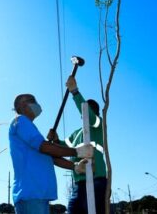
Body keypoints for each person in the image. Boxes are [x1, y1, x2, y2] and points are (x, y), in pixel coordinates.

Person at [9, 94, 94, 214]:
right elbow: (45, 147)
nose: (36, 104)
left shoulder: (28, 128)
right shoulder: (20, 121)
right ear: (22, 105)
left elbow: (51, 157)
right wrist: (77, 151)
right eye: (32, 101)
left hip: (38, 195)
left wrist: (74, 166)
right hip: (31, 193)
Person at [47, 76, 107, 214]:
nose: (85, 113)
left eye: (88, 110)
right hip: (78, 184)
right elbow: (64, 147)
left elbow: (90, 117)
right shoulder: (76, 133)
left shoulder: (99, 125)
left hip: (96, 180)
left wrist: (75, 92)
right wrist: (56, 140)